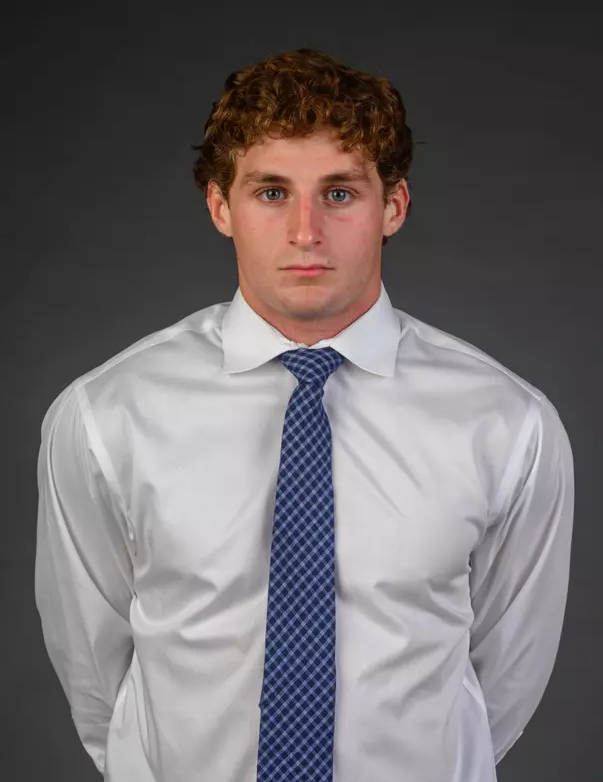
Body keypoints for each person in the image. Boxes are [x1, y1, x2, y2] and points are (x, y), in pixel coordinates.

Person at [35, 47, 575, 782]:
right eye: (270, 192)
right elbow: (93, 670)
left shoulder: (508, 423)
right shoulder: (106, 413)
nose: (305, 231)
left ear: (393, 206)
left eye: (340, 193)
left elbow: (501, 682)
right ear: (220, 207)